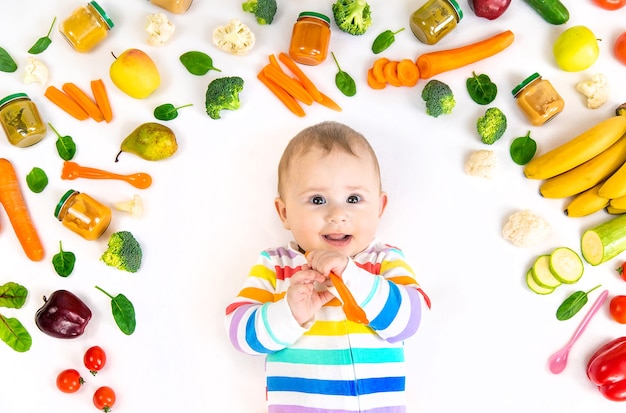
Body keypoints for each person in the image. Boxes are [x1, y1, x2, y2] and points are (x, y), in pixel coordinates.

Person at [225, 121, 430, 412]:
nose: (337, 214)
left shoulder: (383, 260)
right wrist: (290, 313)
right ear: (285, 213)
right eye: (317, 200)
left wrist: (354, 277)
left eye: (354, 199)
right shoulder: (277, 265)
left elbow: (412, 321)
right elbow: (239, 333)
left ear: (380, 208)